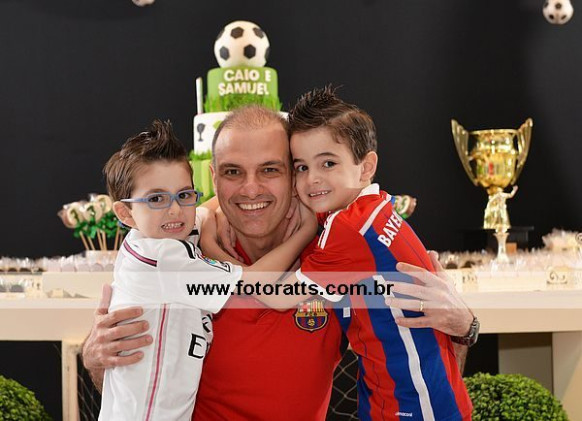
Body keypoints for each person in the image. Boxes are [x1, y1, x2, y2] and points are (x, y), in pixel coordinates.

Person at [82, 104, 476, 421]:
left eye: (270, 170)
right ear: (214, 178)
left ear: (294, 176)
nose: (251, 188)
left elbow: (421, 361)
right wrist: (96, 357)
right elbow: (130, 386)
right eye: (233, 172)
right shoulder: (178, 251)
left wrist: (463, 327)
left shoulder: (336, 255)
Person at [244, 87, 473, 420]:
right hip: (428, 393)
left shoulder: (349, 229)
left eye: (328, 163)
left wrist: (213, 251)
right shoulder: (375, 206)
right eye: (302, 167)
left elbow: (271, 294)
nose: (312, 179)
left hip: (411, 404)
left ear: (366, 167)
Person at [97, 120, 316, 420]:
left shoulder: (160, 233)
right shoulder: (162, 256)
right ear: (125, 213)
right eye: (156, 199)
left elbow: (204, 211)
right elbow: (270, 291)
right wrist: (307, 229)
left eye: (184, 195)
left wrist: (225, 211)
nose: (175, 210)